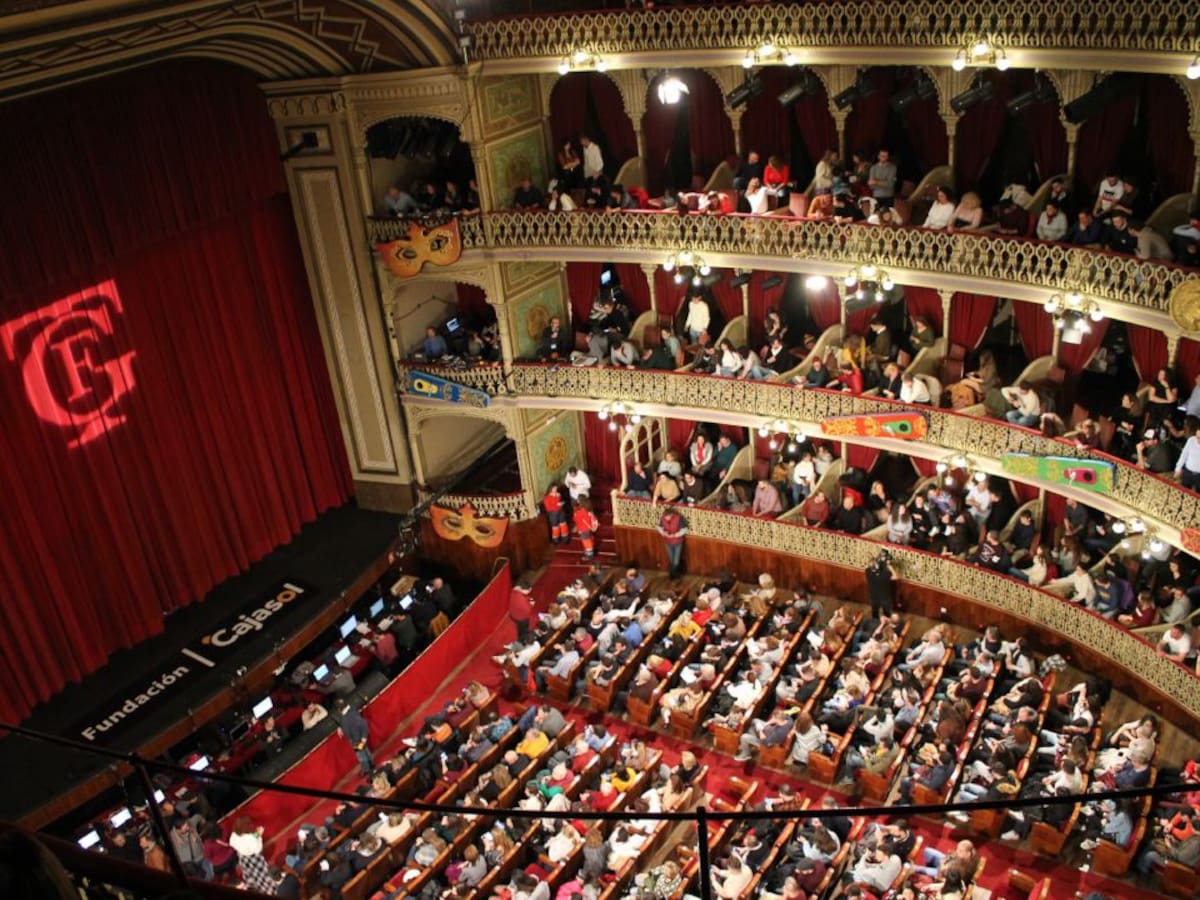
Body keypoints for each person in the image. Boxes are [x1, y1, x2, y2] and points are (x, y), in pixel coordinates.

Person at [337, 701, 373, 777]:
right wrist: (340, 727)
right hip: (357, 737)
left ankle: (367, 769)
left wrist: (364, 736)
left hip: (355, 739)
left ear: (339, 710)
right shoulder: (350, 711)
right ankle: (371, 764)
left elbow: (363, 723)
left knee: (361, 754)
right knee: (364, 750)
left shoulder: (349, 716)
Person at [657, 506, 688, 578]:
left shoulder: (679, 519)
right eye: (665, 517)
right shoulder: (663, 519)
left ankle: (673, 575)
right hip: (667, 542)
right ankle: (676, 574)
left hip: (678, 542)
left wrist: (675, 535)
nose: (666, 518)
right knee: (672, 560)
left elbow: (684, 529)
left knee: (676, 561)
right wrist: (663, 533)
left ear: (671, 515)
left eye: (667, 517)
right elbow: (659, 527)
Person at [866, 551, 897, 618]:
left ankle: (875, 620)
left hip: (874, 597)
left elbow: (871, 566)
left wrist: (873, 559)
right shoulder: (884, 575)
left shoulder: (867, 572)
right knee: (887, 613)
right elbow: (895, 577)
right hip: (885, 598)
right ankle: (887, 620)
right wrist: (890, 567)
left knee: (875, 612)